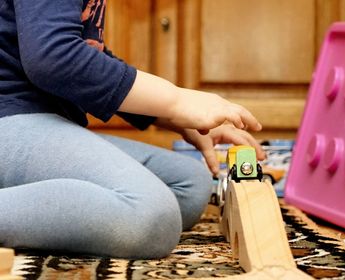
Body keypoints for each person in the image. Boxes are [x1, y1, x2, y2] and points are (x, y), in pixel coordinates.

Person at [0, 0, 265, 259]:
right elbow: (56, 57)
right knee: (153, 215)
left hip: (39, 123)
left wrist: (175, 119)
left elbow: (89, 58)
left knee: (189, 184)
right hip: (10, 121)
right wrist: (177, 101)